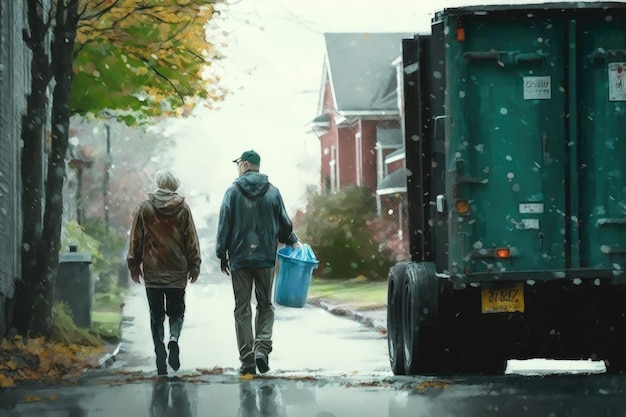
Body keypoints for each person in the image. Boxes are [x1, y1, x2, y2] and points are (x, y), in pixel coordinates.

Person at [216, 149, 300, 376]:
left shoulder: (232, 192)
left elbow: (224, 224)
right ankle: (262, 347)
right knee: (265, 305)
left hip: (239, 258)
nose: (237, 168)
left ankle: (247, 359)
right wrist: (292, 241)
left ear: (244, 165)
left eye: (238, 164)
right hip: (265, 258)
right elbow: (284, 224)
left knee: (242, 308)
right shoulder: (273, 192)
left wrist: (221, 253)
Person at [127, 169, 201, 376]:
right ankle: (174, 339)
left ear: (158, 183)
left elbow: (136, 239)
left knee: (156, 315)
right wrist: (194, 264)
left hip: (153, 271)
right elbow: (191, 240)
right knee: (177, 313)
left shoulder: (144, 209)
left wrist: (134, 264)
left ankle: (160, 351)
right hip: (177, 271)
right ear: (174, 185)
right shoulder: (183, 209)